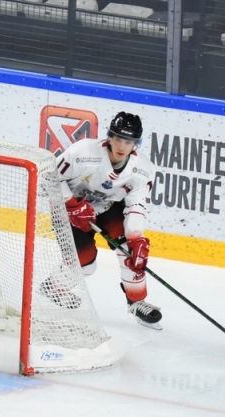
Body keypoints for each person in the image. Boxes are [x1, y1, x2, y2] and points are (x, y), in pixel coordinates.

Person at [53, 111, 162, 329]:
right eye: (118, 139)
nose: (122, 146)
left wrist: (137, 240)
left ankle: (137, 302)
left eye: (128, 141)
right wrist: (72, 204)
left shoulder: (143, 170)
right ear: (109, 137)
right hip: (70, 210)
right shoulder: (82, 152)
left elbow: (135, 206)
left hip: (110, 208)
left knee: (131, 253)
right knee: (86, 265)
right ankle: (54, 289)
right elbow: (51, 177)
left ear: (136, 144)